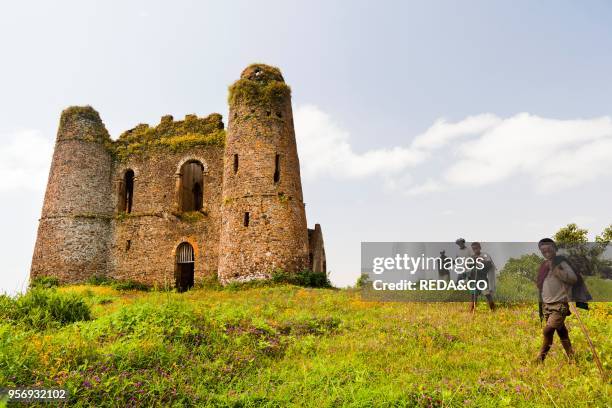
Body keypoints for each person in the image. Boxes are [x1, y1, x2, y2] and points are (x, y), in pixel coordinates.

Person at [535, 238, 577, 363]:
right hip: (547, 305)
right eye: (543, 250)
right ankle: (572, 357)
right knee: (561, 331)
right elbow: (540, 284)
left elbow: (573, 279)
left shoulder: (561, 263)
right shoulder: (543, 265)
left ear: (555, 249)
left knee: (548, 331)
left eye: (549, 249)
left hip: (559, 305)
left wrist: (556, 270)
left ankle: (540, 359)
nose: (546, 252)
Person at [468, 242, 496, 312]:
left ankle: (493, 309)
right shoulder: (472, 257)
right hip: (474, 279)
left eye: (476, 248)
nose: (475, 250)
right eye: (473, 249)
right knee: (473, 295)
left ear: (480, 248)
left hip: (482, 279)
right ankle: (472, 311)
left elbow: (489, 264)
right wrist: (473, 261)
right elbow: (469, 265)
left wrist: (480, 261)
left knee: (487, 294)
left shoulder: (485, 255)